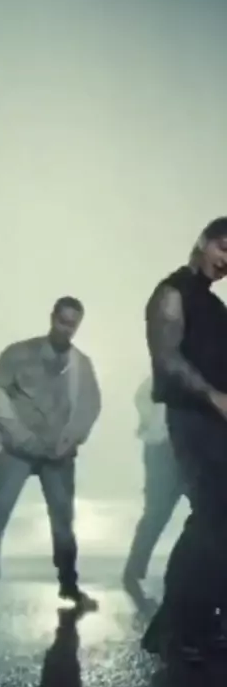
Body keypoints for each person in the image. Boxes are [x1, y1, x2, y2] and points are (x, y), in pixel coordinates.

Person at [0, 296, 101, 611]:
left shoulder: (81, 364)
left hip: (58, 455)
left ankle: (69, 585)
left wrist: (70, 440)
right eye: (62, 321)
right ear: (52, 317)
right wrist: (19, 436)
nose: (66, 328)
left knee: (63, 521)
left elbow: (90, 405)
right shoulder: (18, 353)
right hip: (17, 452)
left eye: (73, 324)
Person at [141, 217, 227, 662]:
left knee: (217, 520)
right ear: (203, 241)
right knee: (210, 517)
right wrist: (213, 396)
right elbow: (167, 359)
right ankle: (178, 628)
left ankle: (186, 622)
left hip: (215, 423)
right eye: (223, 248)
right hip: (192, 419)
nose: (226, 261)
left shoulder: (212, 305)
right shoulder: (172, 293)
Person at [123, 377, 184, 596]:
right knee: (156, 513)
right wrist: (155, 425)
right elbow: (143, 396)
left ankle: (134, 572)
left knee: (207, 515)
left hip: (184, 448)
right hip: (164, 448)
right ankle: (134, 571)